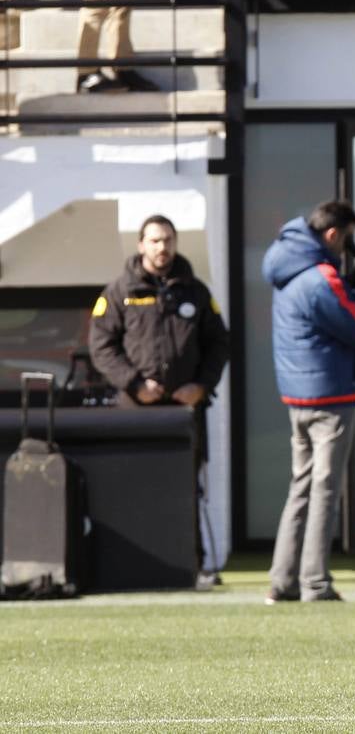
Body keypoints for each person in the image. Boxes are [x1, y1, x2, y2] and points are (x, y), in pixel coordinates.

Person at [261, 200, 355, 603]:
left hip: (298, 396)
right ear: (333, 234)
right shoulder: (320, 277)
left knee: (301, 488)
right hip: (330, 396)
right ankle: (315, 583)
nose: (349, 250)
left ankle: (282, 581)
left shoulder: (287, 268)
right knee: (324, 489)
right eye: (348, 239)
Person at [88, 214, 230, 587]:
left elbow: (219, 344)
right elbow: (101, 346)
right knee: (134, 488)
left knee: (187, 489)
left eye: (167, 239)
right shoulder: (119, 292)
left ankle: (193, 567)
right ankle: (132, 570)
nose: (161, 247)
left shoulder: (196, 292)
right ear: (140, 245)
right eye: (154, 240)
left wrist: (201, 385)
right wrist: (135, 384)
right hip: (135, 412)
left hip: (185, 410)